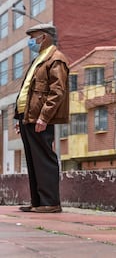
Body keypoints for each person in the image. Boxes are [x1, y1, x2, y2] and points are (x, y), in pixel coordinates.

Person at [14, 23, 70, 213]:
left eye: (34, 37)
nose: (31, 42)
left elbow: (57, 91)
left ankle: (50, 202)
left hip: (41, 118)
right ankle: (38, 202)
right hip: (28, 117)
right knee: (32, 160)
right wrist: (20, 118)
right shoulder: (39, 59)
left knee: (44, 158)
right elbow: (28, 91)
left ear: (44, 37)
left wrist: (44, 117)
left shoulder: (56, 59)